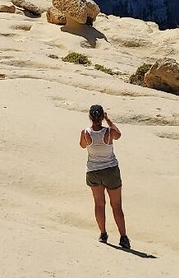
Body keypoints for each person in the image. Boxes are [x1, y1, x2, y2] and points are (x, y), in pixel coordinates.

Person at [79, 103, 129, 249]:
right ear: (102, 116)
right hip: (110, 170)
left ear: (90, 117)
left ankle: (103, 234)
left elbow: (82, 145)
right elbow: (118, 134)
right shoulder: (108, 132)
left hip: (93, 171)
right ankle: (123, 237)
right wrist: (109, 120)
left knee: (99, 204)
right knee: (116, 206)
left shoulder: (85, 133)